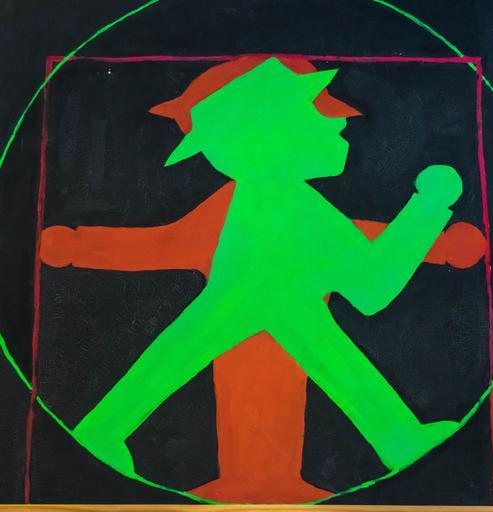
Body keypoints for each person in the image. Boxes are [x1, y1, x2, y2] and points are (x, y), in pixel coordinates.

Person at [41, 56, 470, 501]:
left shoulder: (279, 196)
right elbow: (371, 286)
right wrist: (427, 209)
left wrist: (426, 214)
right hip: (267, 297)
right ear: (267, 139)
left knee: (182, 354)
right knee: (203, 354)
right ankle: (398, 437)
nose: (339, 124)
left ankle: (103, 430)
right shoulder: (291, 201)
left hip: (266, 298)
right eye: (316, 113)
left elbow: (370, 286)